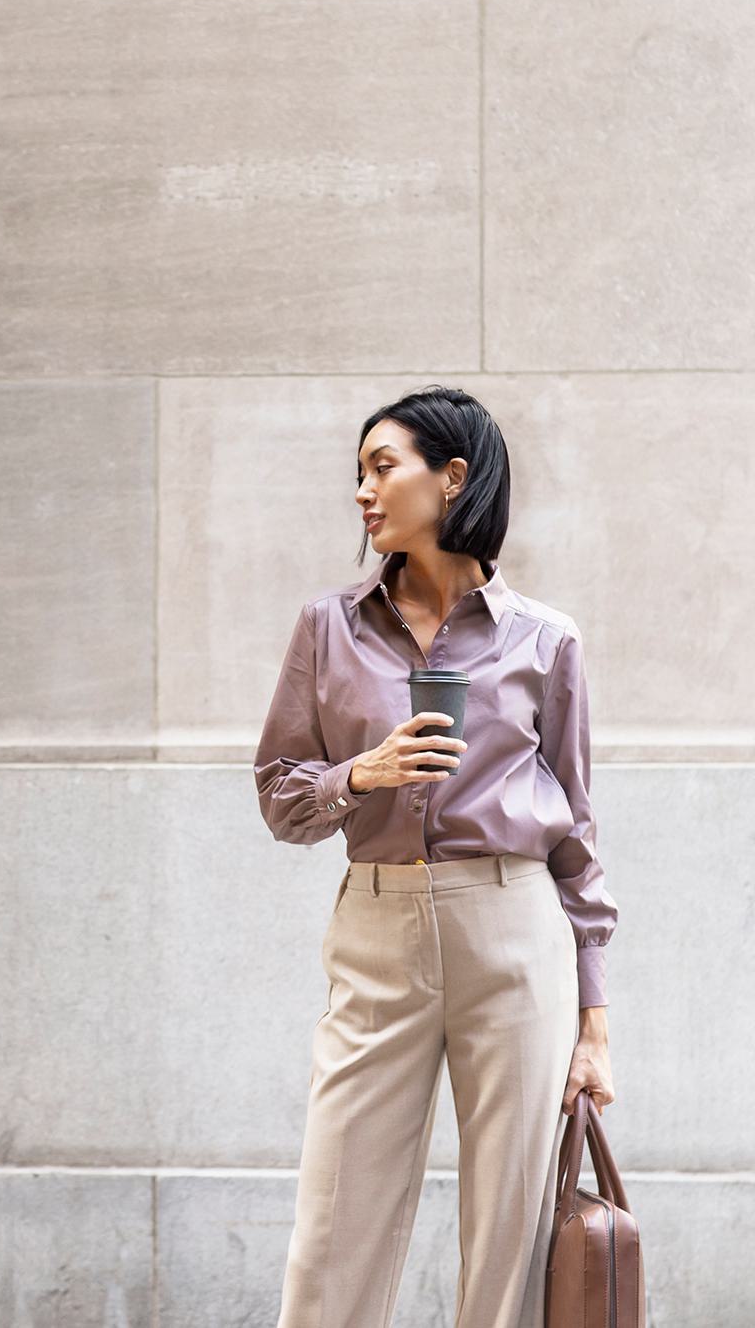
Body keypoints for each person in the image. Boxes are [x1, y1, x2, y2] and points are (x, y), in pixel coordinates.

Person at [253, 384, 618, 1328]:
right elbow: (280, 797)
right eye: (359, 472)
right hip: (378, 927)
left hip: (513, 926)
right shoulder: (328, 627)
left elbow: (576, 837)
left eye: (383, 467)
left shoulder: (545, 640)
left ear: (452, 478)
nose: (363, 492)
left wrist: (593, 1025)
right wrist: (361, 775)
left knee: (510, 1232)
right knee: (335, 1219)